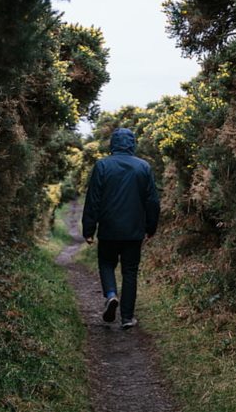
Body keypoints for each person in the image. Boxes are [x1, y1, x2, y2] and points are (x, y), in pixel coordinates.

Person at [82, 127, 160, 329]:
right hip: (134, 231)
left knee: (107, 264)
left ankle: (110, 295)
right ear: (133, 143)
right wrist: (151, 227)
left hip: (108, 229)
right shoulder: (143, 167)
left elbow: (93, 200)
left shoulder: (102, 166)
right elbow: (152, 201)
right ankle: (127, 318)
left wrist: (88, 229)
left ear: (113, 144)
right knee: (130, 271)